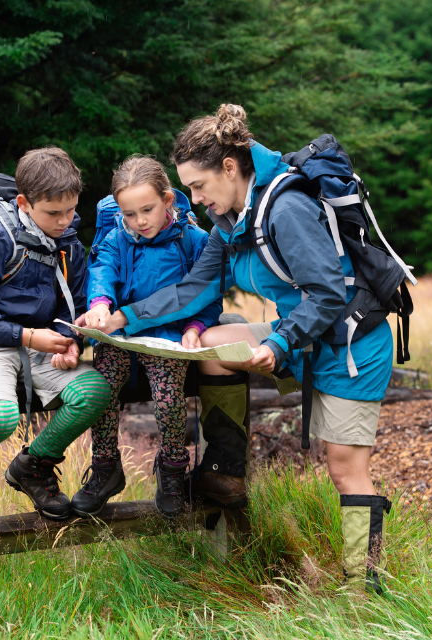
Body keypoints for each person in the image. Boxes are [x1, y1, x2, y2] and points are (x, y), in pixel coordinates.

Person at [78, 105, 394, 590]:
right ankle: (224, 470)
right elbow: (193, 290)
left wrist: (283, 341)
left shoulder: (285, 210)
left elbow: (328, 292)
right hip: (302, 338)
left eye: (199, 186)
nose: (194, 198)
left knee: (344, 466)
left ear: (230, 167)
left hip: (349, 344)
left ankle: (363, 585)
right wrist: (122, 318)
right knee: (211, 339)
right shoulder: (230, 220)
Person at [0, 147, 111, 526]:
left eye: (71, 210)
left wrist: (70, 341)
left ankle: (33, 465)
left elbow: (72, 309)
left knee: (95, 391)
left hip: (40, 346)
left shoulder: (70, 246)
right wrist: (28, 336)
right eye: (53, 213)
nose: (64, 221)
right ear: (25, 203)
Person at [70, 156, 222, 519]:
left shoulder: (195, 241)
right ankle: (106, 467)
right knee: (99, 390)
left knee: (168, 399)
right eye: (129, 213)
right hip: (120, 335)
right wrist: (100, 305)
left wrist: (195, 327)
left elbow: (207, 294)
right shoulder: (115, 238)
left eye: (147, 210)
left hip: (166, 337)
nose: (139, 221)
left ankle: (172, 469)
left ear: (168, 200)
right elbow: (102, 273)